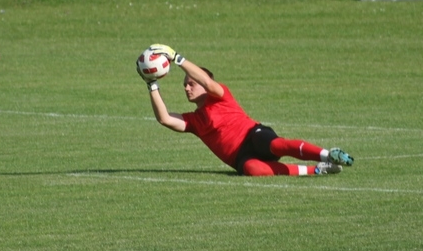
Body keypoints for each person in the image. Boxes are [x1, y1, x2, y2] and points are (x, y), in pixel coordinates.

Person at [138, 44, 354, 176]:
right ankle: (316, 169)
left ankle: (328, 154)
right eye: (185, 84)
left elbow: (205, 79)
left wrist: (177, 58)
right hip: (240, 157)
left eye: (191, 83)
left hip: (253, 136)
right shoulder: (194, 122)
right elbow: (165, 118)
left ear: (205, 84)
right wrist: (152, 84)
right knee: (253, 170)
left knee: (276, 145)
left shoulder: (221, 96)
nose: (186, 87)